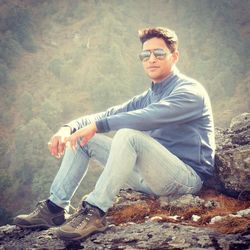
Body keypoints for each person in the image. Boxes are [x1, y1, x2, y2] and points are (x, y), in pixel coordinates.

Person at [14, 27, 215, 241]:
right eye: (145, 54)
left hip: (186, 178)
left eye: (159, 53)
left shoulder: (190, 92)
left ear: (174, 56)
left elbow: (149, 116)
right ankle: (54, 208)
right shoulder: (149, 95)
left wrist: (99, 125)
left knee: (128, 135)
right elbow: (107, 114)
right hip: (150, 178)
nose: (151, 59)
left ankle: (96, 212)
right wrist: (68, 128)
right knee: (83, 140)